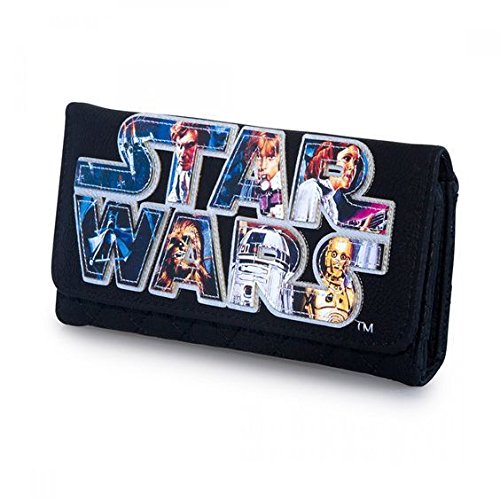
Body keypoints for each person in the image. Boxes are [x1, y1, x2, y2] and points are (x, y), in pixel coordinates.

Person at [292, 142, 385, 231]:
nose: (352, 167)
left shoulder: (331, 204)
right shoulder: (311, 189)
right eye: (346, 158)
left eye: (355, 162)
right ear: (329, 159)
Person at [166, 122, 201, 204]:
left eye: (189, 146)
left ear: (202, 145)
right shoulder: (180, 170)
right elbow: (173, 199)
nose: (182, 154)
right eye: (179, 145)